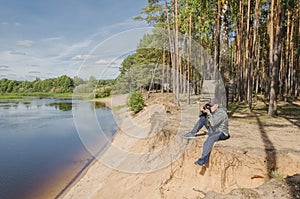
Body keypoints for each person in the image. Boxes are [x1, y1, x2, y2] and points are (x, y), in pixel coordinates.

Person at [182, 99, 230, 166]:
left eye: (211, 106)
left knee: (210, 139)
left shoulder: (221, 113)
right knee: (203, 119)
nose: (209, 107)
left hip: (221, 133)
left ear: (216, 106)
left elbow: (213, 123)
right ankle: (192, 133)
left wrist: (209, 113)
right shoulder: (213, 110)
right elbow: (201, 117)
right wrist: (202, 111)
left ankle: (203, 159)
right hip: (213, 130)